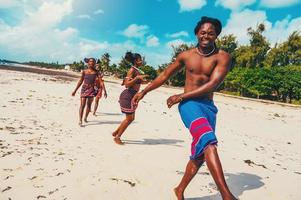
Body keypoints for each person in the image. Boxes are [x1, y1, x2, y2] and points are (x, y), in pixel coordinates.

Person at [133, 16, 237, 200]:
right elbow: (165, 74)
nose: (206, 36)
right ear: (197, 33)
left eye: (211, 33)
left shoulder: (223, 57)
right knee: (209, 142)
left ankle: (179, 189)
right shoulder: (186, 56)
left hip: (207, 107)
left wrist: (180, 95)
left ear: (216, 35)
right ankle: (226, 195)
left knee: (200, 155)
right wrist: (144, 92)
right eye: (203, 32)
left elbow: (213, 84)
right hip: (189, 106)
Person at [112, 52, 148, 145]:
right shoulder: (132, 70)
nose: (141, 61)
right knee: (129, 119)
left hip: (132, 96)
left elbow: (135, 82)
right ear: (136, 61)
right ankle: (117, 137)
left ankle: (116, 132)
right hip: (128, 96)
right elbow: (127, 84)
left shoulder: (137, 70)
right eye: (140, 59)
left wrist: (144, 82)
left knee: (130, 118)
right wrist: (137, 79)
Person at [72, 58, 105, 126]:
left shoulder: (96, 72)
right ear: (88, 63)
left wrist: (104, 90)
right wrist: (75, 90)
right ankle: (80, 120)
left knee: (89, 105)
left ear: (95, 64)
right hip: (84, 88)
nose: (91, 63)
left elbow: (101, 82)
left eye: (93, 62)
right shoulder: (84, 71)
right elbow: (80, 81)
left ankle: (85, 118)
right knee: (82, 105)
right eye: (90, 61)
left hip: (92, 89)